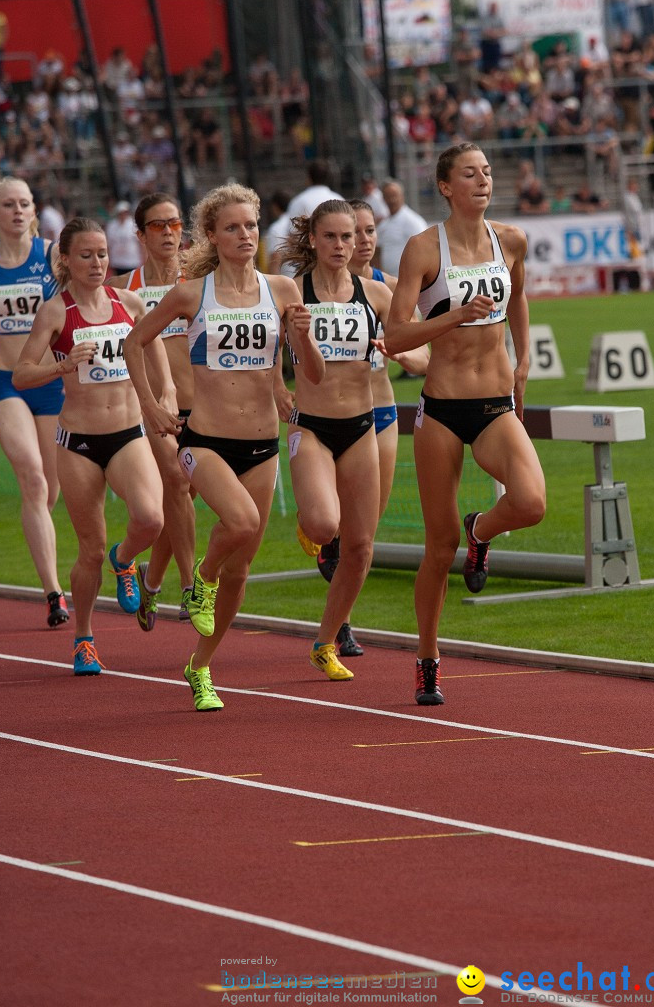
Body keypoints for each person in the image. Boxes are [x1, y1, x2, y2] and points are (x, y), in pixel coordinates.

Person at [124, 184, 324, 711]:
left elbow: (315, 376)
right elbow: (134, 341)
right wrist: (148, 406)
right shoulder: (192, 293)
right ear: (212, 235)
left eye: (251, 226)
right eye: (232, 227)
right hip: (205, 439)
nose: (244, 235)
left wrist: (301, 340)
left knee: (241, 571)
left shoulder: (282, 290)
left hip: (263, 444)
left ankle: (200, 667)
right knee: (241, 523)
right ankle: (197, 581)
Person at [384, 143, 546, 707]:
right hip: (443, 409)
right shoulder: (424, 248)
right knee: (437, 546)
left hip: (496, 404)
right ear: (446, 186)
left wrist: (524, 360)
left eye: (487, 172)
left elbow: (520, 296)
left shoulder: (511, 241)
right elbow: (395, 335)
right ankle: (428, 660)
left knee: (531, 502)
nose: (483, 180)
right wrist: (453, 314)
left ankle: (482, 532)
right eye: (469, 174)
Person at [12, 218, 169, 675]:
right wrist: (60, 368)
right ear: (66, 259)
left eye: (102, 254)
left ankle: (126, 559)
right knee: (90, 550)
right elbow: (21, 373)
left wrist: (166, 394)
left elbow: (151, 341)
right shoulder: (56, 313)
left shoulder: (128, 303)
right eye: (86, 255)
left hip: (126, 433)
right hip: (78, 441)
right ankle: (83, 638)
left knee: (151, 518)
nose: (97, 263)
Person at [276, 199, 394, 682]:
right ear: (313, 240)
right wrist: (275, 389)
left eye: (349, 237)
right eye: (331, 237)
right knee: (326, 527)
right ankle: (311, 521)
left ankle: (325, 643)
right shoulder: (290, 291)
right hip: (313, 426)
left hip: (362, 426)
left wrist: (405, 350)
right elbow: (259, 348)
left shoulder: (376, 295)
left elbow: (418, 347)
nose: (342, 246)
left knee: (362, 548)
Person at [309, 198, 428, 657]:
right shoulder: (312, 288)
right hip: (328, 414)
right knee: (333, 523)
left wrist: (399, 352)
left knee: (365, 531)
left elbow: (422, 356)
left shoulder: (389, 290)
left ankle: (340, 618)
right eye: (352, 231)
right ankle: (340, 620)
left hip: (380, 414)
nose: (361, 240)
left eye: (369, 231)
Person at [0, 176, 70, 628]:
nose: (17, 210)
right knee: (32, 479)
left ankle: (39, 534)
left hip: (52, 381)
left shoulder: (51, 256)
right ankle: (54, 593)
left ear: (34, 210)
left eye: (25, 203)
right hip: (5, 382)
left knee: (50, 488)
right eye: (8, 204)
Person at [108, 192, 196, 631]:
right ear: (140, 235)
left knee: (182, 501)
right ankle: (190, 589)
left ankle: (152, 583)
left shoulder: (200, 278)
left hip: (204, 404)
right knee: (178, 484)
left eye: (175, 224)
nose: (168, 233)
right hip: (155, 408)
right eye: (158, 226)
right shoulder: (126, 290)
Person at [376, 179, 428, 277]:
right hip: (387, 280)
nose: (392, 200)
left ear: (402, 196)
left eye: (394, 195)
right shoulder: (385, 223)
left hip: (407, 279)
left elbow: (425, 251)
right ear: (383, 198)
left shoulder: (413, 221)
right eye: (388, 196)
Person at [105, 200, 143, 275]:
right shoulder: (111, 225)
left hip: (132, 261)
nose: (123, 215)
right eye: (121, 213)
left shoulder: (134, 224)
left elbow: (140, 243)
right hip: (117, 261)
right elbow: (108, 244)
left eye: (125, 212)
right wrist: (108, 259)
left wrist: (143, 258)